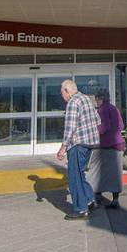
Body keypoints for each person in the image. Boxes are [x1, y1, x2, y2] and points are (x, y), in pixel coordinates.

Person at [56, 79, 100, 220]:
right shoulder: (86, 99)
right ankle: (90, 200)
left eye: (62, 93)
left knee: (75, 177)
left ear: (67, 91)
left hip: (77, 145)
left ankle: (81, 209)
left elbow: (70, 128)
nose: (62, 96)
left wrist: (63, 148)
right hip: (89, 144)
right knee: (80, 174)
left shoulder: (72, 103)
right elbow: (98, 120)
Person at [87, 87, 125, 209]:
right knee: (115, 174)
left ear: (100, 98)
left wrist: (92, 131)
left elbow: (103, 127)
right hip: (118, 145)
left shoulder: (102, 110)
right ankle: (115, 199)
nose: (96, 102)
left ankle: (96, 197)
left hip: (105, 145)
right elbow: (121, 125)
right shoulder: (114, 108)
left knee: (95, 172)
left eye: (96, 99)